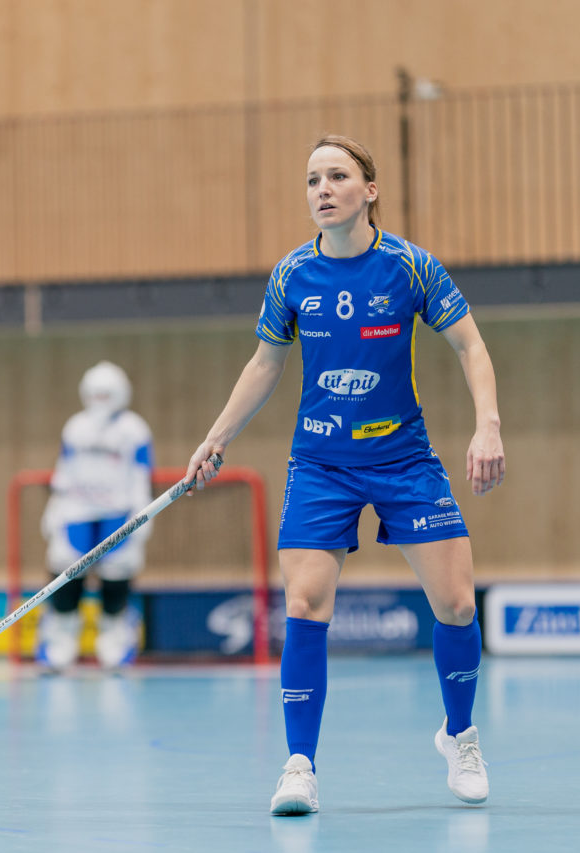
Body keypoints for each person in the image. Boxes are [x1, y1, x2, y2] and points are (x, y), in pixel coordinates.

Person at [183, 135, 506, 814]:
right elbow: (265, 363)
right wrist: (216, 437)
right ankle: (299, 764)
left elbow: (470, 343)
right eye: (311, 180)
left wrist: (488, 424)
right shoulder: (292, 276)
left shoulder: (410, 268)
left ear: (370, 189)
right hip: (322, 463)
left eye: (337, 176)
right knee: (303, 604)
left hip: (404, 459)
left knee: (455, 603)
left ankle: (460, 733)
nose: (322, 189)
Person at [38, 360, 154, 671]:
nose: (101, 401)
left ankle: (114, 644)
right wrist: (54, 509)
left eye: (107, 394)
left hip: (117, 515)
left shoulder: (134, 429)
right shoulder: (75, 426)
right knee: (63, 569)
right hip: (76, 512)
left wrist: (143, 516)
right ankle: (60, 643)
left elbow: (141, 475)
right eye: (96, 394)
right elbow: (64, 471)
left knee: (117, 572)